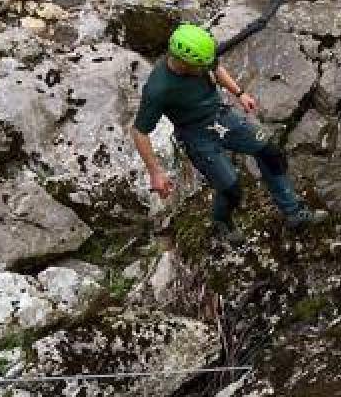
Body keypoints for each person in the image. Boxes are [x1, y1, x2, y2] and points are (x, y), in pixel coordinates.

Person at [130, 23, 327, 243]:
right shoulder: (158, 89)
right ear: (183, 63)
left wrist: (239, 93)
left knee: (270, 153)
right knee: (231, 187)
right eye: (200, 67)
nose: (205, 69)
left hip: (219, 116)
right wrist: (155, 172)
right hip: (195, 135)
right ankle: (221, 221)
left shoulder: (200, 58)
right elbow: (140, 131)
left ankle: (293, 212)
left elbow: (215, 68)